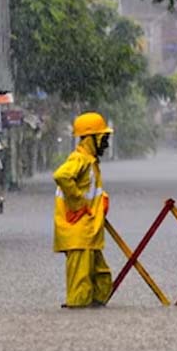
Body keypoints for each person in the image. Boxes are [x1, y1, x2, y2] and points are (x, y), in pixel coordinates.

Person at [53, 112, 113, 308]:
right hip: (78, 230)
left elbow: (91, 190)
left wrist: (101, 201)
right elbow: (61, 176)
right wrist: (79, 203)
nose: (106, 143)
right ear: (91, 139)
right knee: (80, 283)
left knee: (101, 274)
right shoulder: (79, 160)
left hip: (89, 231)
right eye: (103, 138)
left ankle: (95, 304)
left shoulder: (91, 162)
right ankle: (78, 310)